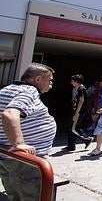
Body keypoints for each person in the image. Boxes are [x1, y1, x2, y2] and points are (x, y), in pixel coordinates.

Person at [0, 63, 56, 201]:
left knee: (15, 195)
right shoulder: (29, 92)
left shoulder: (8, 89)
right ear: (38, 79)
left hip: (9, 157)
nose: (51, 83)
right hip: (24, 162)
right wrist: (19, 144)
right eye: (50, 80)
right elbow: (10, 113)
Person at [63, 74, 93, 151]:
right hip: (76, 111)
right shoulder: (77, 88)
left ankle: (86, 139)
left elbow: (81, 100)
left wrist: (77, 113)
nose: (71, 83)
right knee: (72, 127)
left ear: (76, 81)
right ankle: (71, 145)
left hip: (79, 112)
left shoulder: (81, 88)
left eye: (72, 81)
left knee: (73, 128)